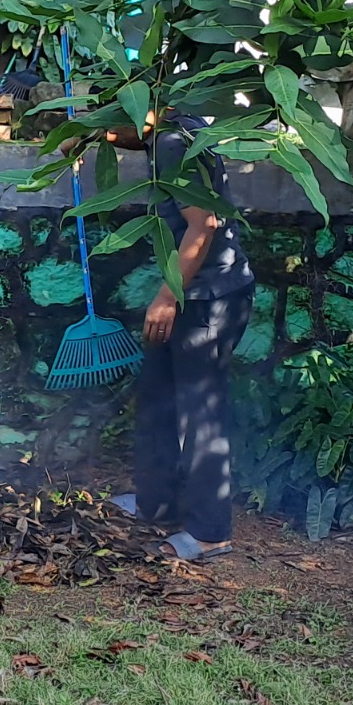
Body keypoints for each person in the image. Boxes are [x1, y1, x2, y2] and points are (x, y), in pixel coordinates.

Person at [104, 112, 255, 562]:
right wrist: (91, 137)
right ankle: (156, 504)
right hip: (196, 291)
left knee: (199, 415)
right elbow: (137, 131)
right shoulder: (177, 124)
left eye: (119, 107)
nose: (116, 119)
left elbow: (203, 223)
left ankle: (210, 533)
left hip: (207, 297)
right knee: (158, 397)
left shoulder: (172, 144)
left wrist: (168, 296)